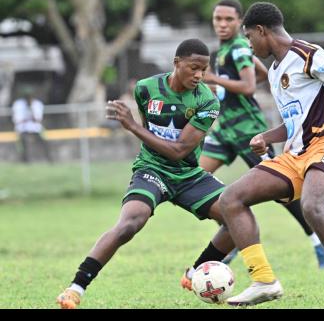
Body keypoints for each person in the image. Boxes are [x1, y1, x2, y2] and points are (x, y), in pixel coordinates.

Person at [217, 2, 324, 306]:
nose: (248, 44)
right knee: (230, 199)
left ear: (262, 31)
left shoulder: (308, 54)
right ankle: (263, 281)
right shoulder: (273, 71)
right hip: (296, 155)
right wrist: (266, 137)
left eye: (249, 37)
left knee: (312, 206)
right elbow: (295, 121)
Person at [56, 39, 237, 309]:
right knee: (130, 223)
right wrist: (139, 130)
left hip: (188, 174)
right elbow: (150, 129)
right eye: (193, 68)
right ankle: (75, 288)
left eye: (204, 69)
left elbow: (177, 151)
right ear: (177, 64)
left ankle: (195, 272)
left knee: (237, 217)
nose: (199, 75)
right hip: (151, 169)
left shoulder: (207, 100)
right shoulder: (146, 88)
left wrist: (130, 126)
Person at [180, 0, 324, 289]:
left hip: (249, 131)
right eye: (218, 19)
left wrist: (214, 79)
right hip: (226, 131)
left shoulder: (238, 47)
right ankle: (233, 236)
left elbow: (249, 86)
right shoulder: (227, 50)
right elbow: (260, 75)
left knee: (280, 190)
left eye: (228, 20)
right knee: (194, 179)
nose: (222, 24)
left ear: (240, 23)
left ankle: (317, 241)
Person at [12, 86, 52, 163]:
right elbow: (17, 120)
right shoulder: (18, 104)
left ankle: (49, 159)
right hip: (22, 129)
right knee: (21, 142)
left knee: (44, 141)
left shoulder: (37, 104)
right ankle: (24, 160)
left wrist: (31, 110)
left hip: (35, 128)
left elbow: (38, 119)